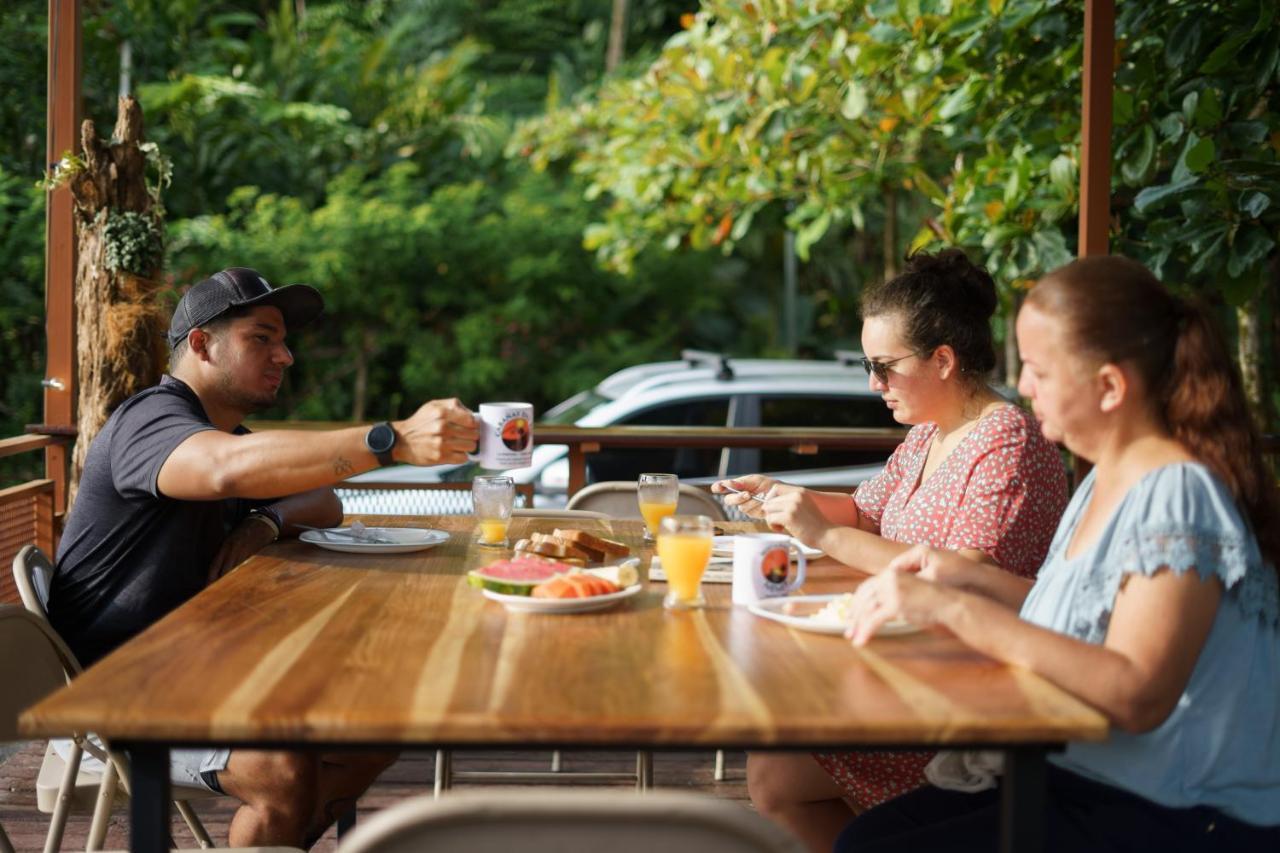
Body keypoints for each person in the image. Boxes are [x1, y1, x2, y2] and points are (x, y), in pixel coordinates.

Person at [835, 256, 1280, 852]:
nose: (1021, 387)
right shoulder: (1106, 479)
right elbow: (1085, 614)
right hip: (1091, 777)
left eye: (1040, 371)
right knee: (869, 837)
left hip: (1181, 811)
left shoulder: (1177, 492)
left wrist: (958, 611)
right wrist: (961, 578)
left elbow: (1136, 693)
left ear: (1110, 387)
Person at [47, 267, 481, 849]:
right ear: (202, 343)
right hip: (123, 685)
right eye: (262, 338)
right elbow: (224, 468)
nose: (286, 356)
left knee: (377, 724)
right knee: (281, 770)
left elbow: (325, 502)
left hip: (204, 664)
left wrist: (264, 520)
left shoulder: (225, 433)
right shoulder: (151, 420)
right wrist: (391, 440)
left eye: (283, 340)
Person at [712, 249, 1070, 852]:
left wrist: (822, 536)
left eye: (883, 366)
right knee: (773, 773)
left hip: (960, 695)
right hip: (901, 664)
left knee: (778, 766)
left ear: (943, 360)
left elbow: (964, 575)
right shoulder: (929, 432)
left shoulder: (1007, 440)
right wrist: (785, 494)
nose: (872, 383)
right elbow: (867, 511)